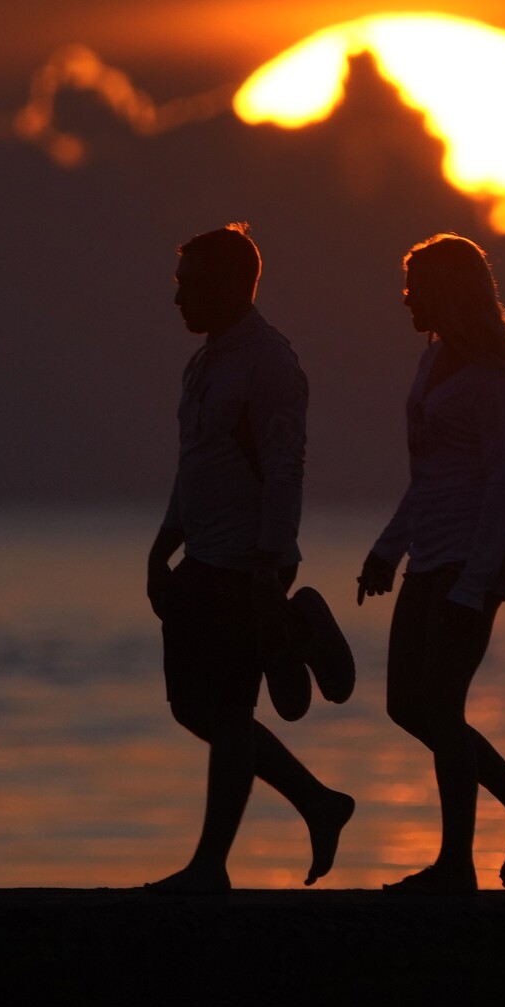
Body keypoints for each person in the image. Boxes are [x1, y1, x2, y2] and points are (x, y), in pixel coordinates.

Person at [358, 233, 505, 894]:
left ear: (448, 290)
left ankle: (456, 865)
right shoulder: (432, 364)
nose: (406, 297)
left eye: (415, 285)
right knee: (406, 704)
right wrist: (388, 547)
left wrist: (474, 584)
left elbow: (501, 486)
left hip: (471, 563)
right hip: (428, 555)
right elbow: (426, 476)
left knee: (441, 708)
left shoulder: (494, 376)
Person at [146, 223, 354, 894]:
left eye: (192, 286)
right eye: (179, 286)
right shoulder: (203, 362)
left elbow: (287, 466)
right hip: (201, 555)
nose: (179, 299)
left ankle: (210, 864)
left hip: (245, 560)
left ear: (235, 286)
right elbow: (195, 462)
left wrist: (270, 560)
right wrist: (163, 543)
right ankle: (319, 799)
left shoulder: (270, 363)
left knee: (229, 710)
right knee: (192, 706)